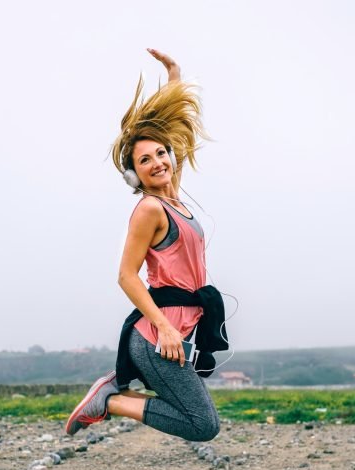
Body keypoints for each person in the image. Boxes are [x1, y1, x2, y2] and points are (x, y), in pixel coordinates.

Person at [65, 49, 227, 441]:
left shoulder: (175, 200)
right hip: (157, 338)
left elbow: (175, 128)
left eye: (160, 154)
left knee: (201, 421)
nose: (156, 162)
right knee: (202, 425)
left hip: (176, 333)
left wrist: (174, 75)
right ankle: (111, 401)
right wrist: (165, 328)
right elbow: (125, 275)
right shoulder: (150, 209)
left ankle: (113, 394)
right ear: (134, 176)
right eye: (144, 160)